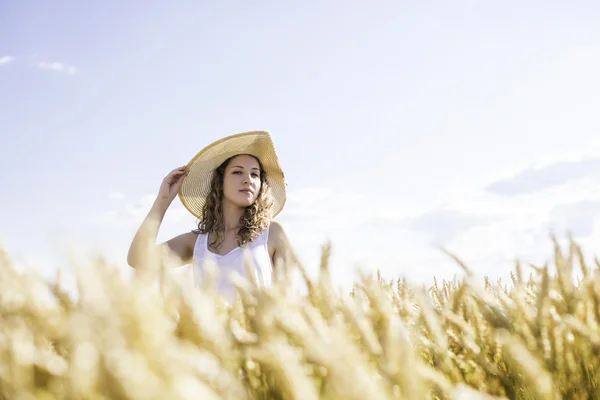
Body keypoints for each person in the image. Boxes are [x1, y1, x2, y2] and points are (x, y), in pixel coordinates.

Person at [127, 131, 296, 302]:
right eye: (238, 172)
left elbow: (287, 299)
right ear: (219, 181)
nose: (248, 180)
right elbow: (138, 260)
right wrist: (162, 201)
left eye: (255, 174)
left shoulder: (273, 233)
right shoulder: (196, 242)